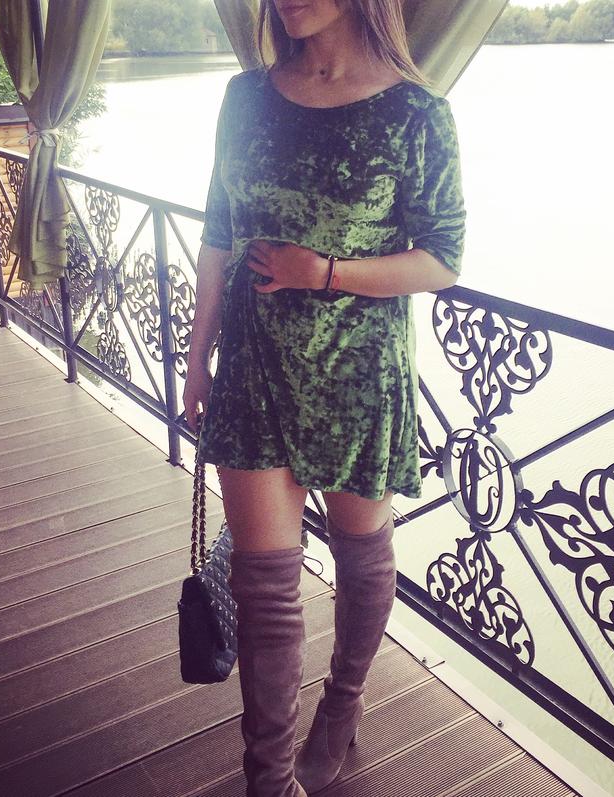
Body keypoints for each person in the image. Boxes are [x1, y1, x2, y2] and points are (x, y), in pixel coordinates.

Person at [183, 0, 465, 793]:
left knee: (360, 555)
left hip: (358, 376)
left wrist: (326, 271)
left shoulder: (416, 112)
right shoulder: (246, 97)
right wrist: (197, 357)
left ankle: (342, 703)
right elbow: (217, 234)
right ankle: (268, 778)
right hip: (252, 369)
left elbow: (443, 258)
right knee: (264, 590)